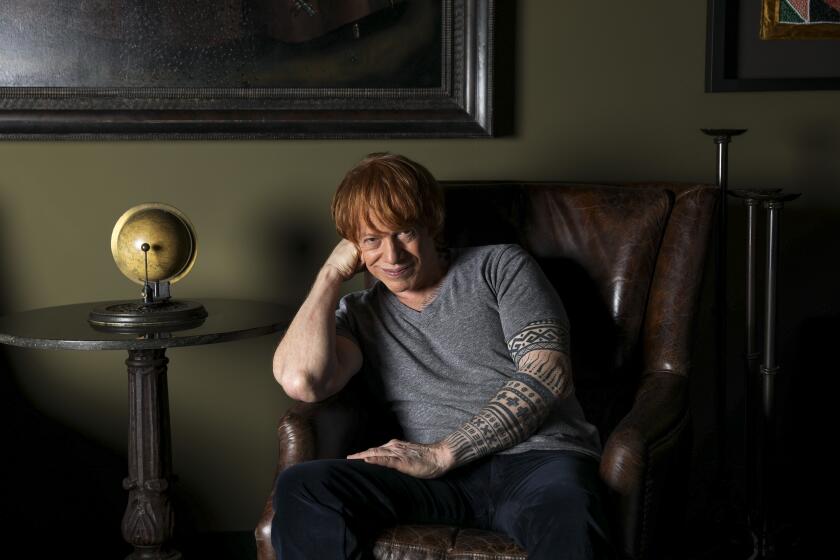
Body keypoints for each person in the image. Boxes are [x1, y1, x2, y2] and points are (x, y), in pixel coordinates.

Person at [271, 153, 614, 559]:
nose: (393, 256)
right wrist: (329, 276)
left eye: (404, 232)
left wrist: (443, 452)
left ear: (431, 223)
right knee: (304, 485)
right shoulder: (359, 314)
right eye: (372, 240)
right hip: (433, 482)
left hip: (536, 463)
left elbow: (548, 375)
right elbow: (302, 381)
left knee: (572, 514)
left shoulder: (499, 266)